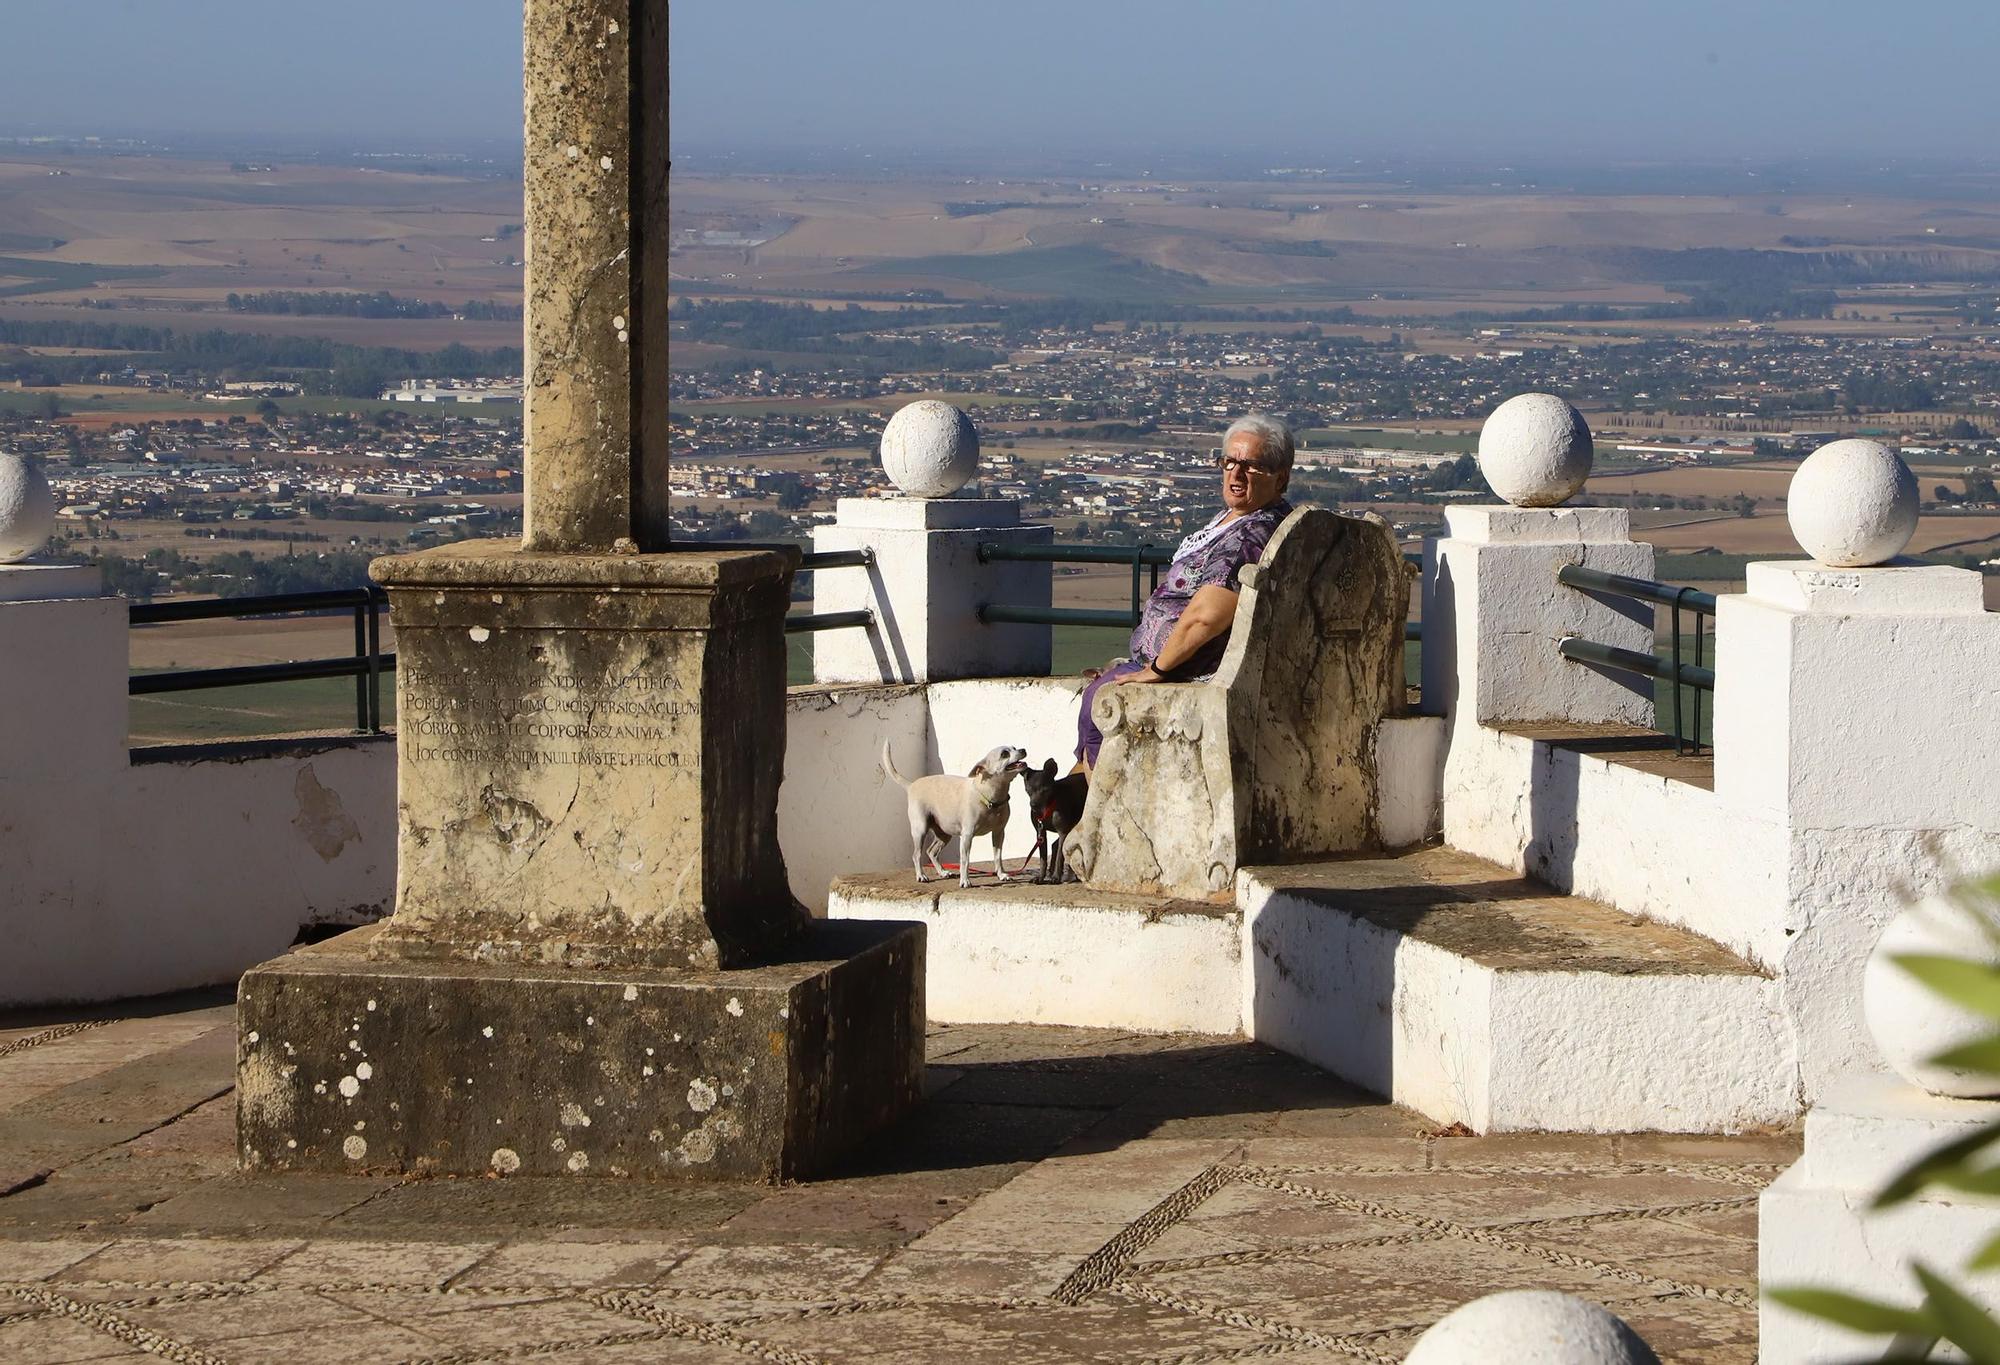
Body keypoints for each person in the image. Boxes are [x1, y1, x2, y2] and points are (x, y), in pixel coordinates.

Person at [1075, 413, 1295, 771]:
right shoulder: (1240, 520)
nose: (1236, 475)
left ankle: (1101, 813)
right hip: (1170, 666)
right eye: (1230, 462)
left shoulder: (1248, 537)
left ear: (1280, 478)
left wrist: (1157, 670)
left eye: (1251, 466)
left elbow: (1207, 617)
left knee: (1102, 700)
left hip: (1186, 672)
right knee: (1097, 699)